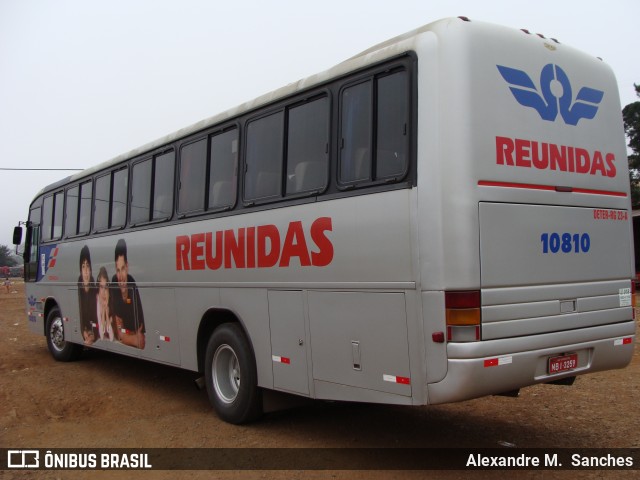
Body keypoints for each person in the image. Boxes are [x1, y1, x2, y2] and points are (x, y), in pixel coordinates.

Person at [111, 239, 145, 349]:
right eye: (117, 270)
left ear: (127, 267)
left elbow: (142, 337)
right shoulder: (114, 284)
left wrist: (128, 335)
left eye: (123, 269)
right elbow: (119, 334)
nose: (120, 277)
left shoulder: (133, 285)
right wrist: (133, 338)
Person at [77, 245, 98, 345]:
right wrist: (83, 331)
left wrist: (94, 335)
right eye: (83, 266)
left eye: (88, 266)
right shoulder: (78, 290)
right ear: (80, 270)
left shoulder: (95, 289)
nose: (85, 271)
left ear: (91, 269)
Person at [96, 267, 115, 341]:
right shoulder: (97, 305)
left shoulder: (112, 305)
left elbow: (111, 338)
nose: (104, 292)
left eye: (106, 288)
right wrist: (104, 311)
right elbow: (101, 335)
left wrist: (107, 314)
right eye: (101, 287)